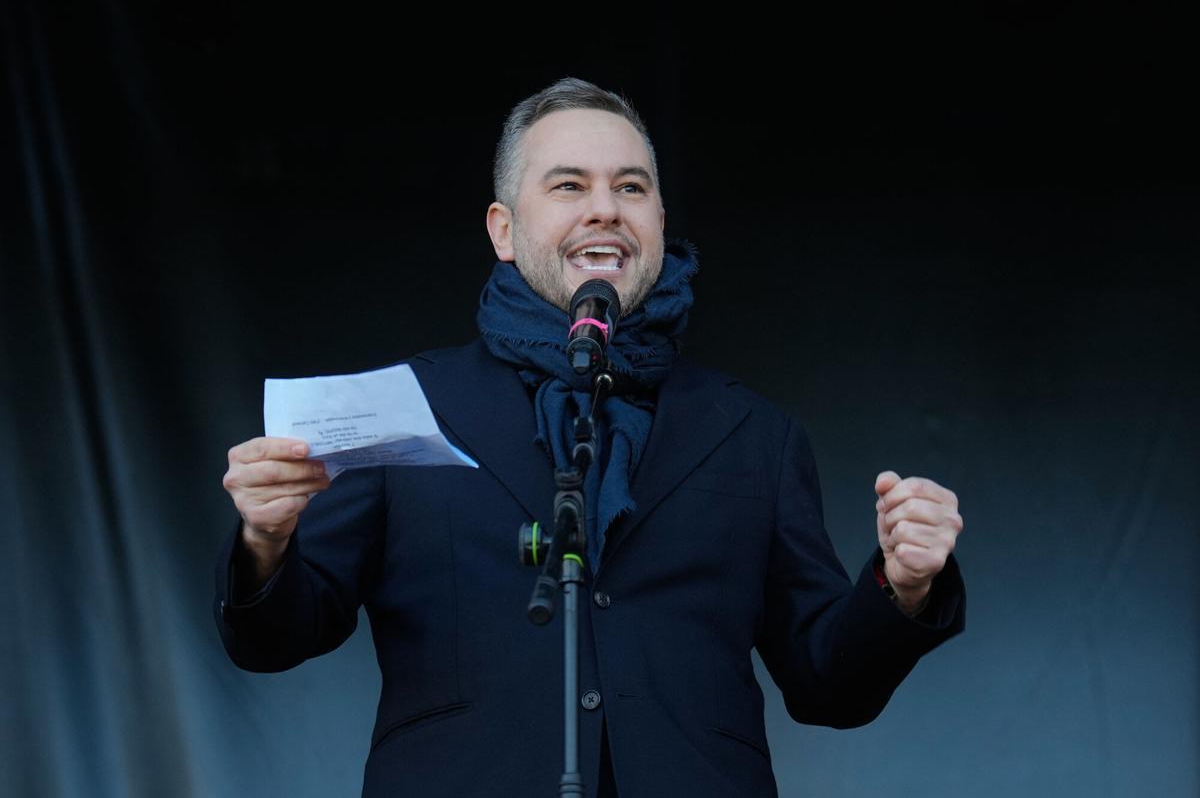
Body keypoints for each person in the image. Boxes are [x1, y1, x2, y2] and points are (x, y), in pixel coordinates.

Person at [215, 77, 966, 798]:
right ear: (504, 230)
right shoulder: (409, 405)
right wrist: (266, 542)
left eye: (631, 187)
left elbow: (829, 682)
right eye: (569, 185)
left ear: (660, 221)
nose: (604, 209)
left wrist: (900, 587)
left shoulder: (752, 435)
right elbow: (276, 640)